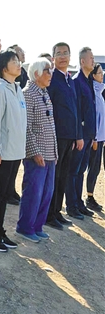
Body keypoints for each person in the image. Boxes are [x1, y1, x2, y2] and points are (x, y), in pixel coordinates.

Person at [0, 50, 27, 252]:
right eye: (13, 61)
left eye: (18, 60)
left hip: (16, 151)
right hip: (2, 153)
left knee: (5, 195)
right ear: (3, 67)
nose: (18, 64)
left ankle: (0, 231)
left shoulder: (17, 88)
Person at [17, 59, 58, 241]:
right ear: (36, 74)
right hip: (37, 154)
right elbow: (26, 127)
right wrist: (34, 151)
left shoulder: (44, 93)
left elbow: (51, 124)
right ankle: (25, 227)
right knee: (34, 192)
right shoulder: (28, 94)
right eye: (47, 70)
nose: (50, 74)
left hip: (50, 153)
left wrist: (55, 151)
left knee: (47, 192)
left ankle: (37, 225)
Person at [45, 42, 83, 229]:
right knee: (55, 176)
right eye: (58, 53)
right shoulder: (52, 79)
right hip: (56, 136)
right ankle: (49, 214)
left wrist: (77, 135)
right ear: (53, 58)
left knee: (63, 176)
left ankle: (57, 211)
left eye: (65, 53)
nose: (62, 56)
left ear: (70, 56)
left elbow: (76, 109)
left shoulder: (70, 80)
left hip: (70, 137)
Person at [67, 47, 98, 218]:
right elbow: (76, 112)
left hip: (89, 135)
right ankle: (71, 205)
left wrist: (93, 135)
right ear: (82, 61)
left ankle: (79, 203)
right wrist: (78, 135)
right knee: (73, 171)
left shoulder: (88, 81)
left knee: (81, 171)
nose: (93, 61)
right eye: (91, 58)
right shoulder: (76, 81)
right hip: (80, 135)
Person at [85, 63, 104, 211]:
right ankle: (89, 197)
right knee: (93, 168)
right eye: (99, 73)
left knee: (96, 168)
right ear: (93, 75)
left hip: (101, 137)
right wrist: (96, 138)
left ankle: (90, 196)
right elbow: (94, 117)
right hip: (95, 138)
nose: (102, 75)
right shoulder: (93, 93)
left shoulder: (100, 91)